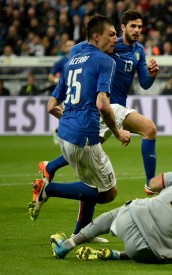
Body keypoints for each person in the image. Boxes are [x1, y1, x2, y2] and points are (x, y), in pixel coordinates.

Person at [37, 10, 159, 240]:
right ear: (122, 28)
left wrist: (151, 74)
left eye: (140, 27)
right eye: (132, 26)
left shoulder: (139, 51)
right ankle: (150, 183)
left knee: (89, 175)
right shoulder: (106, 47)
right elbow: (77, 53)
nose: (137, 31)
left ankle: (51, 171)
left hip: (109, 111)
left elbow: (144, 83)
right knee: (149, 129)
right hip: (106, 107)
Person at [28, 14, 131, 238]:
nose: (117, 39)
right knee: (107, 193)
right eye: (112, 35)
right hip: (84, 137)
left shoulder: (71, 62)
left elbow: (51, 106)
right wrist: (118, 132)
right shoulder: (106, 61)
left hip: (65, 134)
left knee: (89, 183)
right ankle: (48, 189)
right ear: (96, 36)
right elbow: (103, 104)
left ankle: (82, 233)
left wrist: (71, 119)